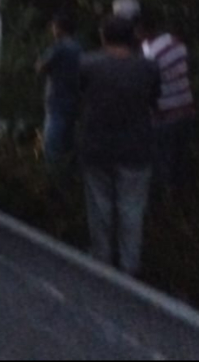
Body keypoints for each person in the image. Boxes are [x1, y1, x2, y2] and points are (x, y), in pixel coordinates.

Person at [78, 15, 160, 276]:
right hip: (136, 147)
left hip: (96, 144)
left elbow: (76, 99)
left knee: (99, 205)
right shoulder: (149, 68)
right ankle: (130, 264)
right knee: (131, 209)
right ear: (133, 38)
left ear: (103, 37)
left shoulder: (87, 64)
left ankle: (101, 257)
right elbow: (154, 101)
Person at [135, 11, 197, 197]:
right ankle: (184, 199)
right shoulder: (175, 42)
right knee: (181, 160)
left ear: (142, 30)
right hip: (186, 108)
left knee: (164, 163)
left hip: (165, 114)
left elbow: (146, 83)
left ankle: (169, 203)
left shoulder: (152, 53)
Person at [36, 12, 81, 170]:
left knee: (52, 144)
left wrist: (39, 62)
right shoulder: (79, 47)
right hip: (74, 100)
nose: (52, 31)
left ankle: (53, 178)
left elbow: (41, 68)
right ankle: (69, 175)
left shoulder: (59, 47)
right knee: (69, 142)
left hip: (56, 100)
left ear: (60, 29)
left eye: (54, 28)